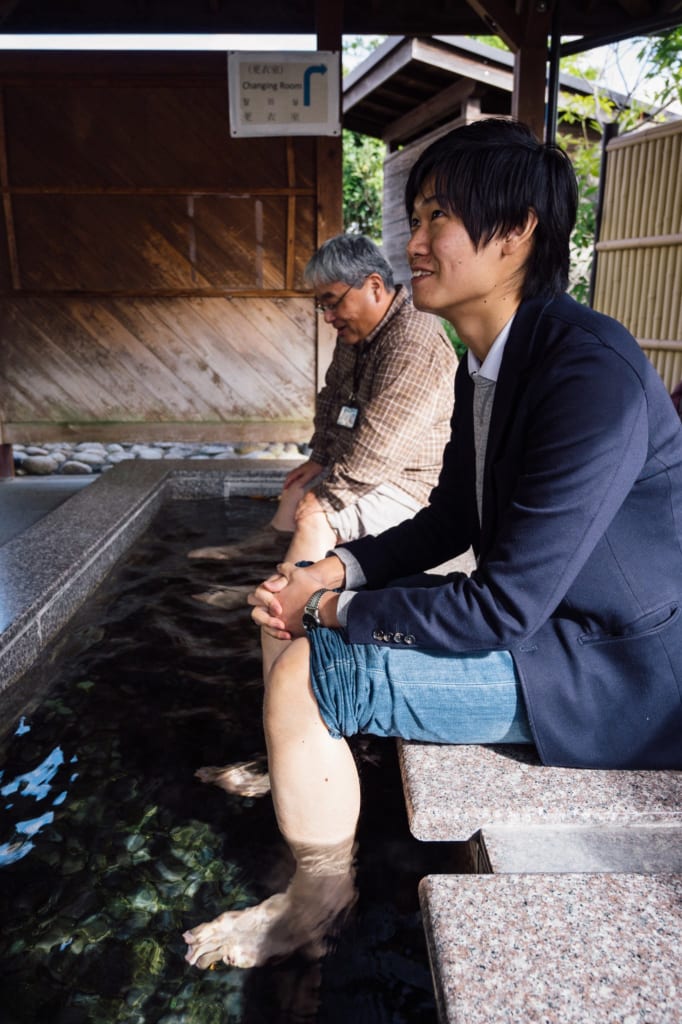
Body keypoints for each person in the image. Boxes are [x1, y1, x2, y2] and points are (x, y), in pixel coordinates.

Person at [183, 118, 682, 971]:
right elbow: (453, 518)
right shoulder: (494, 360)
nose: (410, 243)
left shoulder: (587, 370)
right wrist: (332, 568)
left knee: (313, 661)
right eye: (414, 218)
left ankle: (315, 900)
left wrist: (336, 605)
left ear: (520, 228)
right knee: (297, 599)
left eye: (437, 218)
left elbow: (505, 603)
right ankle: (297, 760)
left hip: (610, 672)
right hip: (547, 631)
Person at [189, 233, 458, 586]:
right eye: (322, 306)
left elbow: (380, 448)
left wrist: (327, 499)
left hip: (414, 486)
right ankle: (260, 557)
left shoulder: (412, 342)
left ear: (374, 286)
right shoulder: (359, 332)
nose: (328, 317)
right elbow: (334, 397)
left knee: (319, 515)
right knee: (297, 488)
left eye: (332, 302)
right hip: (372, 470)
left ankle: (285, 600)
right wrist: (318, 458)